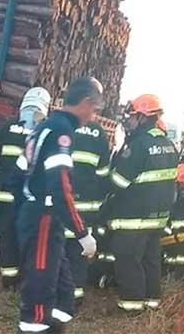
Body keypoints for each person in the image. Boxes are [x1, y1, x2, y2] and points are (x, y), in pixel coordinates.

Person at [16, 77, 101, 334]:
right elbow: (60, 187)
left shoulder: (46, 126)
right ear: (86, 103)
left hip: (40, 216)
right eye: (95, 108)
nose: (94, 115)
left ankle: (54, 328)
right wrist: (82, 233)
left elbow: (20, 170)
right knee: (40, 293)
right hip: (43, 217)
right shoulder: (61, 131)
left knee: (64, 292)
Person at [102, 94, 178, 312]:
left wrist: (105, 184)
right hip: (159, 217)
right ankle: (152, 302)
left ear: (144, 117)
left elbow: (118, 182)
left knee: (128, 260)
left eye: (133, 116)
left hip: (134, 217)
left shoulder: (138, 145)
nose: (129, 121)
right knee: (150, 260)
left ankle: (131, 307)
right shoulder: (168, 144)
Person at [0, 87, 51, 290]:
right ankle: (26, 280)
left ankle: (9, 281)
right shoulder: (46, 132)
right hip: (30, 198)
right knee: (28, 237)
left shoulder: (7, 127)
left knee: (7, 236)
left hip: (5, 195)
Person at [66, 120, 111, 300]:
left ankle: (56, 293)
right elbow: (103, 172)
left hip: (61, 203)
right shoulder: (98, 132)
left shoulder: (62, 126)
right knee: (79, 251)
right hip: (87, 205)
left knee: (57, 251)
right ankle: (76, 296)